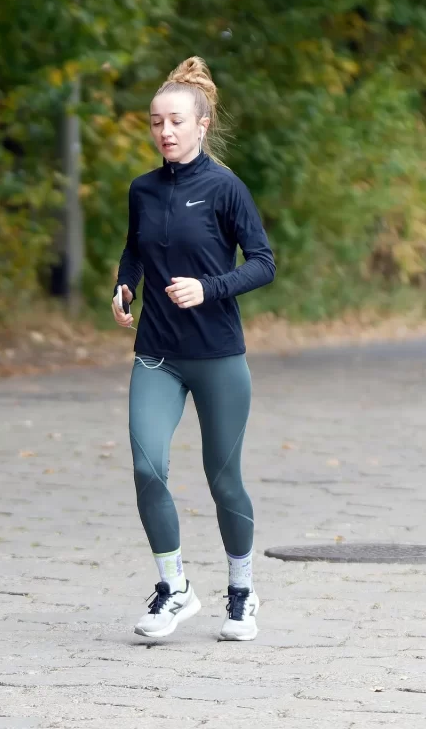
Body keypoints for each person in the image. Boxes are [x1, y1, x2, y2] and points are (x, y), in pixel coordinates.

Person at [111, 56, 275, 642]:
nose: (165, 132)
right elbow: (136, 249)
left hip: (217, 357)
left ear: (202, 124)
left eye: (176, 121)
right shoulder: (143, 189)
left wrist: (210, 288)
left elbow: (263, 264)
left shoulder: (225, 188)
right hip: (157, 351)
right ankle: (174, 588)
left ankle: (241, 590)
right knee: (146, 465)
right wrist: (124, 283)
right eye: (156, 123)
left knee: (222, 478)